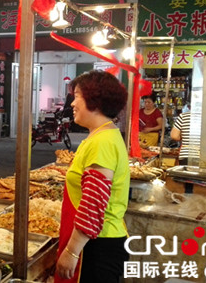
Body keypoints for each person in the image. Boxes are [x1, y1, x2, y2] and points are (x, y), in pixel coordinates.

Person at [55, 70, 130, 283]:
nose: (72, 103)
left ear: (95, 100)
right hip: (98, 240)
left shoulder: (103, 141)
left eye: (77, 96)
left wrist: (71, 252)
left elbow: (93, 202)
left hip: (97, 246)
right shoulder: (102, 134)